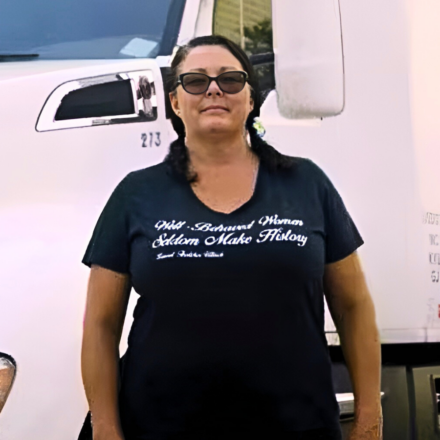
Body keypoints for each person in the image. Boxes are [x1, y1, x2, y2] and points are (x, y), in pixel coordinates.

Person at [80, 35, 382, 440]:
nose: (214, 90)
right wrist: (104, 428)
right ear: (175, 102)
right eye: (195, 81)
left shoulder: (307, 184)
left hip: (296, 427)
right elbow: (100, 325)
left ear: (251, 99)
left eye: (231, 79)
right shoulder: (136, 194)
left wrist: (369, 419)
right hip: (158, 428)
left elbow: (354, 307)